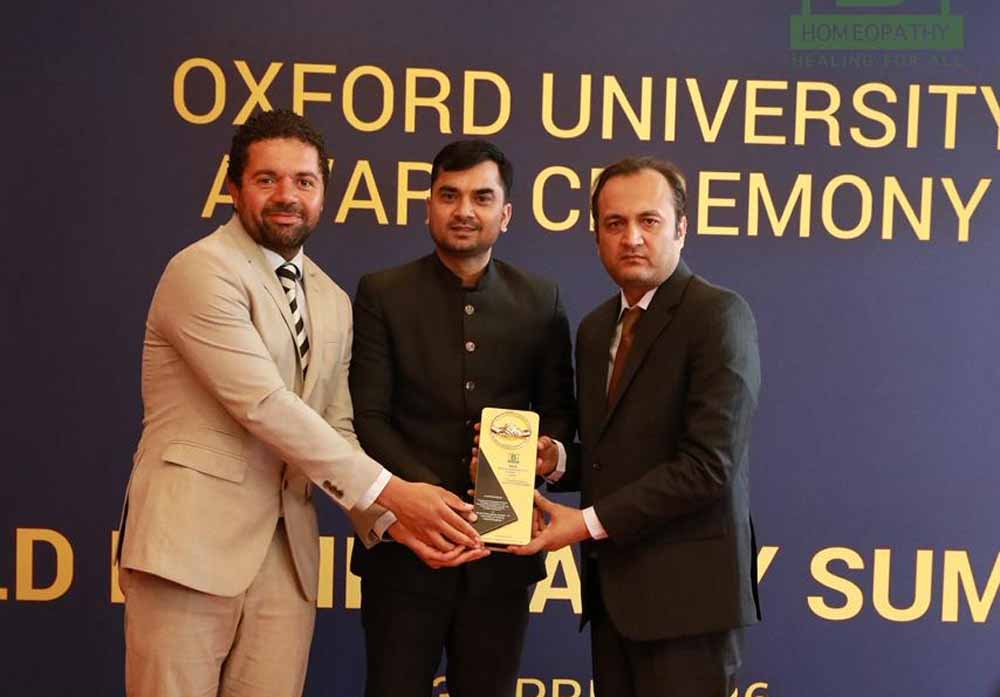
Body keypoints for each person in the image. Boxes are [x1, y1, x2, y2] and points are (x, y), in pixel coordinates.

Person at [115, 109, 482, 697]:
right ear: (233, 188)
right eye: (268, 179)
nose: (287, 196)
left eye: (304, 182)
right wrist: (394, 492)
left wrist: (394, 524)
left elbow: (337, 427)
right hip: (187, 550)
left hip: (287, 562)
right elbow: (264, 404)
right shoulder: (200, 270)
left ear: (323, 195)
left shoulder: (331, 299)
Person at [512, 156, 762, 696]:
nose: (631, 238)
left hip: (690, 607)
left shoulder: (718, 315)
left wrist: (585, 523)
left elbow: (708, 467)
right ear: (597, 237)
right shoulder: (596, 328)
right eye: (614, 223)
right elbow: (612, 458)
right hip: (614, 599)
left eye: (649, 221)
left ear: (681, 228)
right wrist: (556, 460)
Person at [349, 139, 576, 697]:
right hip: (405, 549)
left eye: (481, 197)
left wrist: (544, 453)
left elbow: (558, 415)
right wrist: (426, 501)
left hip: (503, 558)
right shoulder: (382, 293)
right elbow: (369, 418)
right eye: (449, 195)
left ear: (506, 214)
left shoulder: (541, 300)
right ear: (428, 206)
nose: (464, 210)